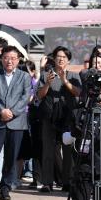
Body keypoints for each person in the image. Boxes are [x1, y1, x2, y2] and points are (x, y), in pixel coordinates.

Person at [0, 46, 29, 200]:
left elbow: (25, 96)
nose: (10, 61)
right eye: (7, 57)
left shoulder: (24, 76)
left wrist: (12, 112)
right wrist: (1, 111)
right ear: (2, 59)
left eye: (13, 58)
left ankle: (5, 187)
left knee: (11, 157)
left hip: (16, 123)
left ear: (18, 60)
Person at [35, 47, 79, 192]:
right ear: (53, 58)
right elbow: (39, 96)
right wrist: (47, 83)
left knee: (68, 150)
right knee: (48, 150)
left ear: (68, 60)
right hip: (49, 116)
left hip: (68, 116)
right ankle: (47, 182)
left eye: (64, 57)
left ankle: (67, 181)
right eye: (58, 56)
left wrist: (65, 80)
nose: (61, 59)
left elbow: (78, 93)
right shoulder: (45, 74)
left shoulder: (73, 76)